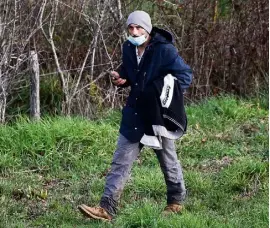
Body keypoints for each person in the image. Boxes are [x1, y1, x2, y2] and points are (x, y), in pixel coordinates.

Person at [78, 10, 192, 221]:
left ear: (147, 29)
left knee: (168, 160)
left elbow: (185, 76)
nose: (134, 31)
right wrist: (121, 77)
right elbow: (132, 73)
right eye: (130, 27)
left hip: (158, 115)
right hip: (135, 112)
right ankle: (106, 208)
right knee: (120, 160)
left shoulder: (164, 50)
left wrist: (164, 96)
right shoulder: (128, 47)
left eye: (138, 27)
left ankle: (175, 202)